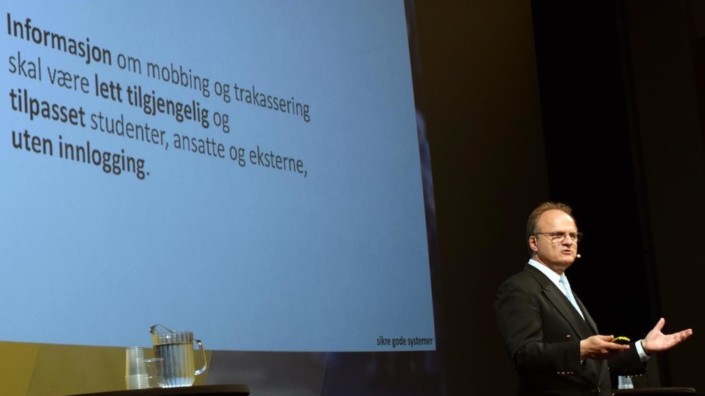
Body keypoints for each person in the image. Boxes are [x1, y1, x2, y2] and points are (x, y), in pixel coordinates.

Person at [495, 201, 693, 396]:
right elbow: (524, 355)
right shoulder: (519, 288)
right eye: (557, 235)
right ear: (533, 242)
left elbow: (595, 368)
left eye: (573, 235)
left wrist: (642, 347)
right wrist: (580, 349)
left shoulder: (563, 287)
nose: (568, 241)